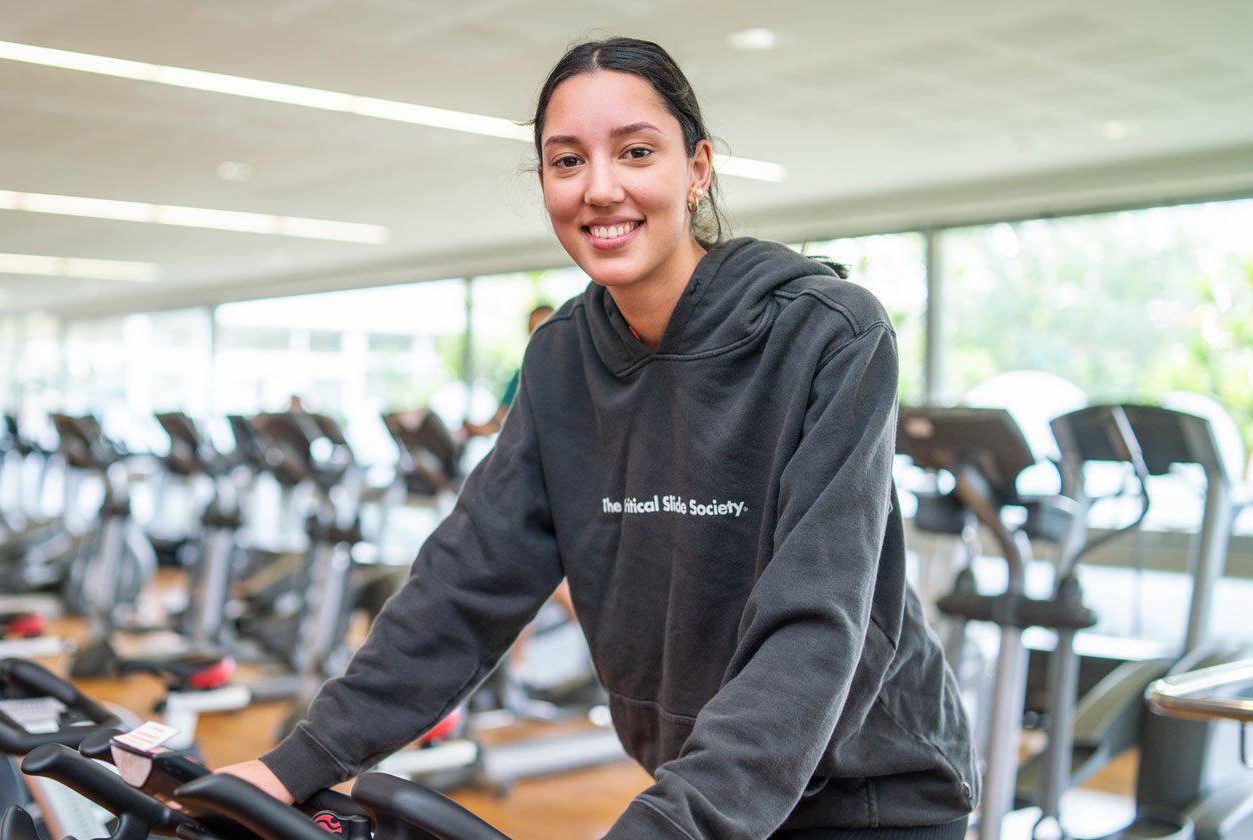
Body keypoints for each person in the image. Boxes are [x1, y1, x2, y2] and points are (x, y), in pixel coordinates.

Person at [220, 38, 976, 837]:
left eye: (637, 152)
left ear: (697, 170)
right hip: (701, 784)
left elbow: (815, 622)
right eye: (566, 161)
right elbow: (464, 586)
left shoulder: (828, 334)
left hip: (865, 792)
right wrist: (293, 765)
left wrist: (671, 824)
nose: (600, 188)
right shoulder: (561, 358)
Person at [463, 303, 555, 438]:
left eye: (546, 331)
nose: (541, 340)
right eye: (534, 333)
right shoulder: (526, 372)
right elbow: (503, 415)